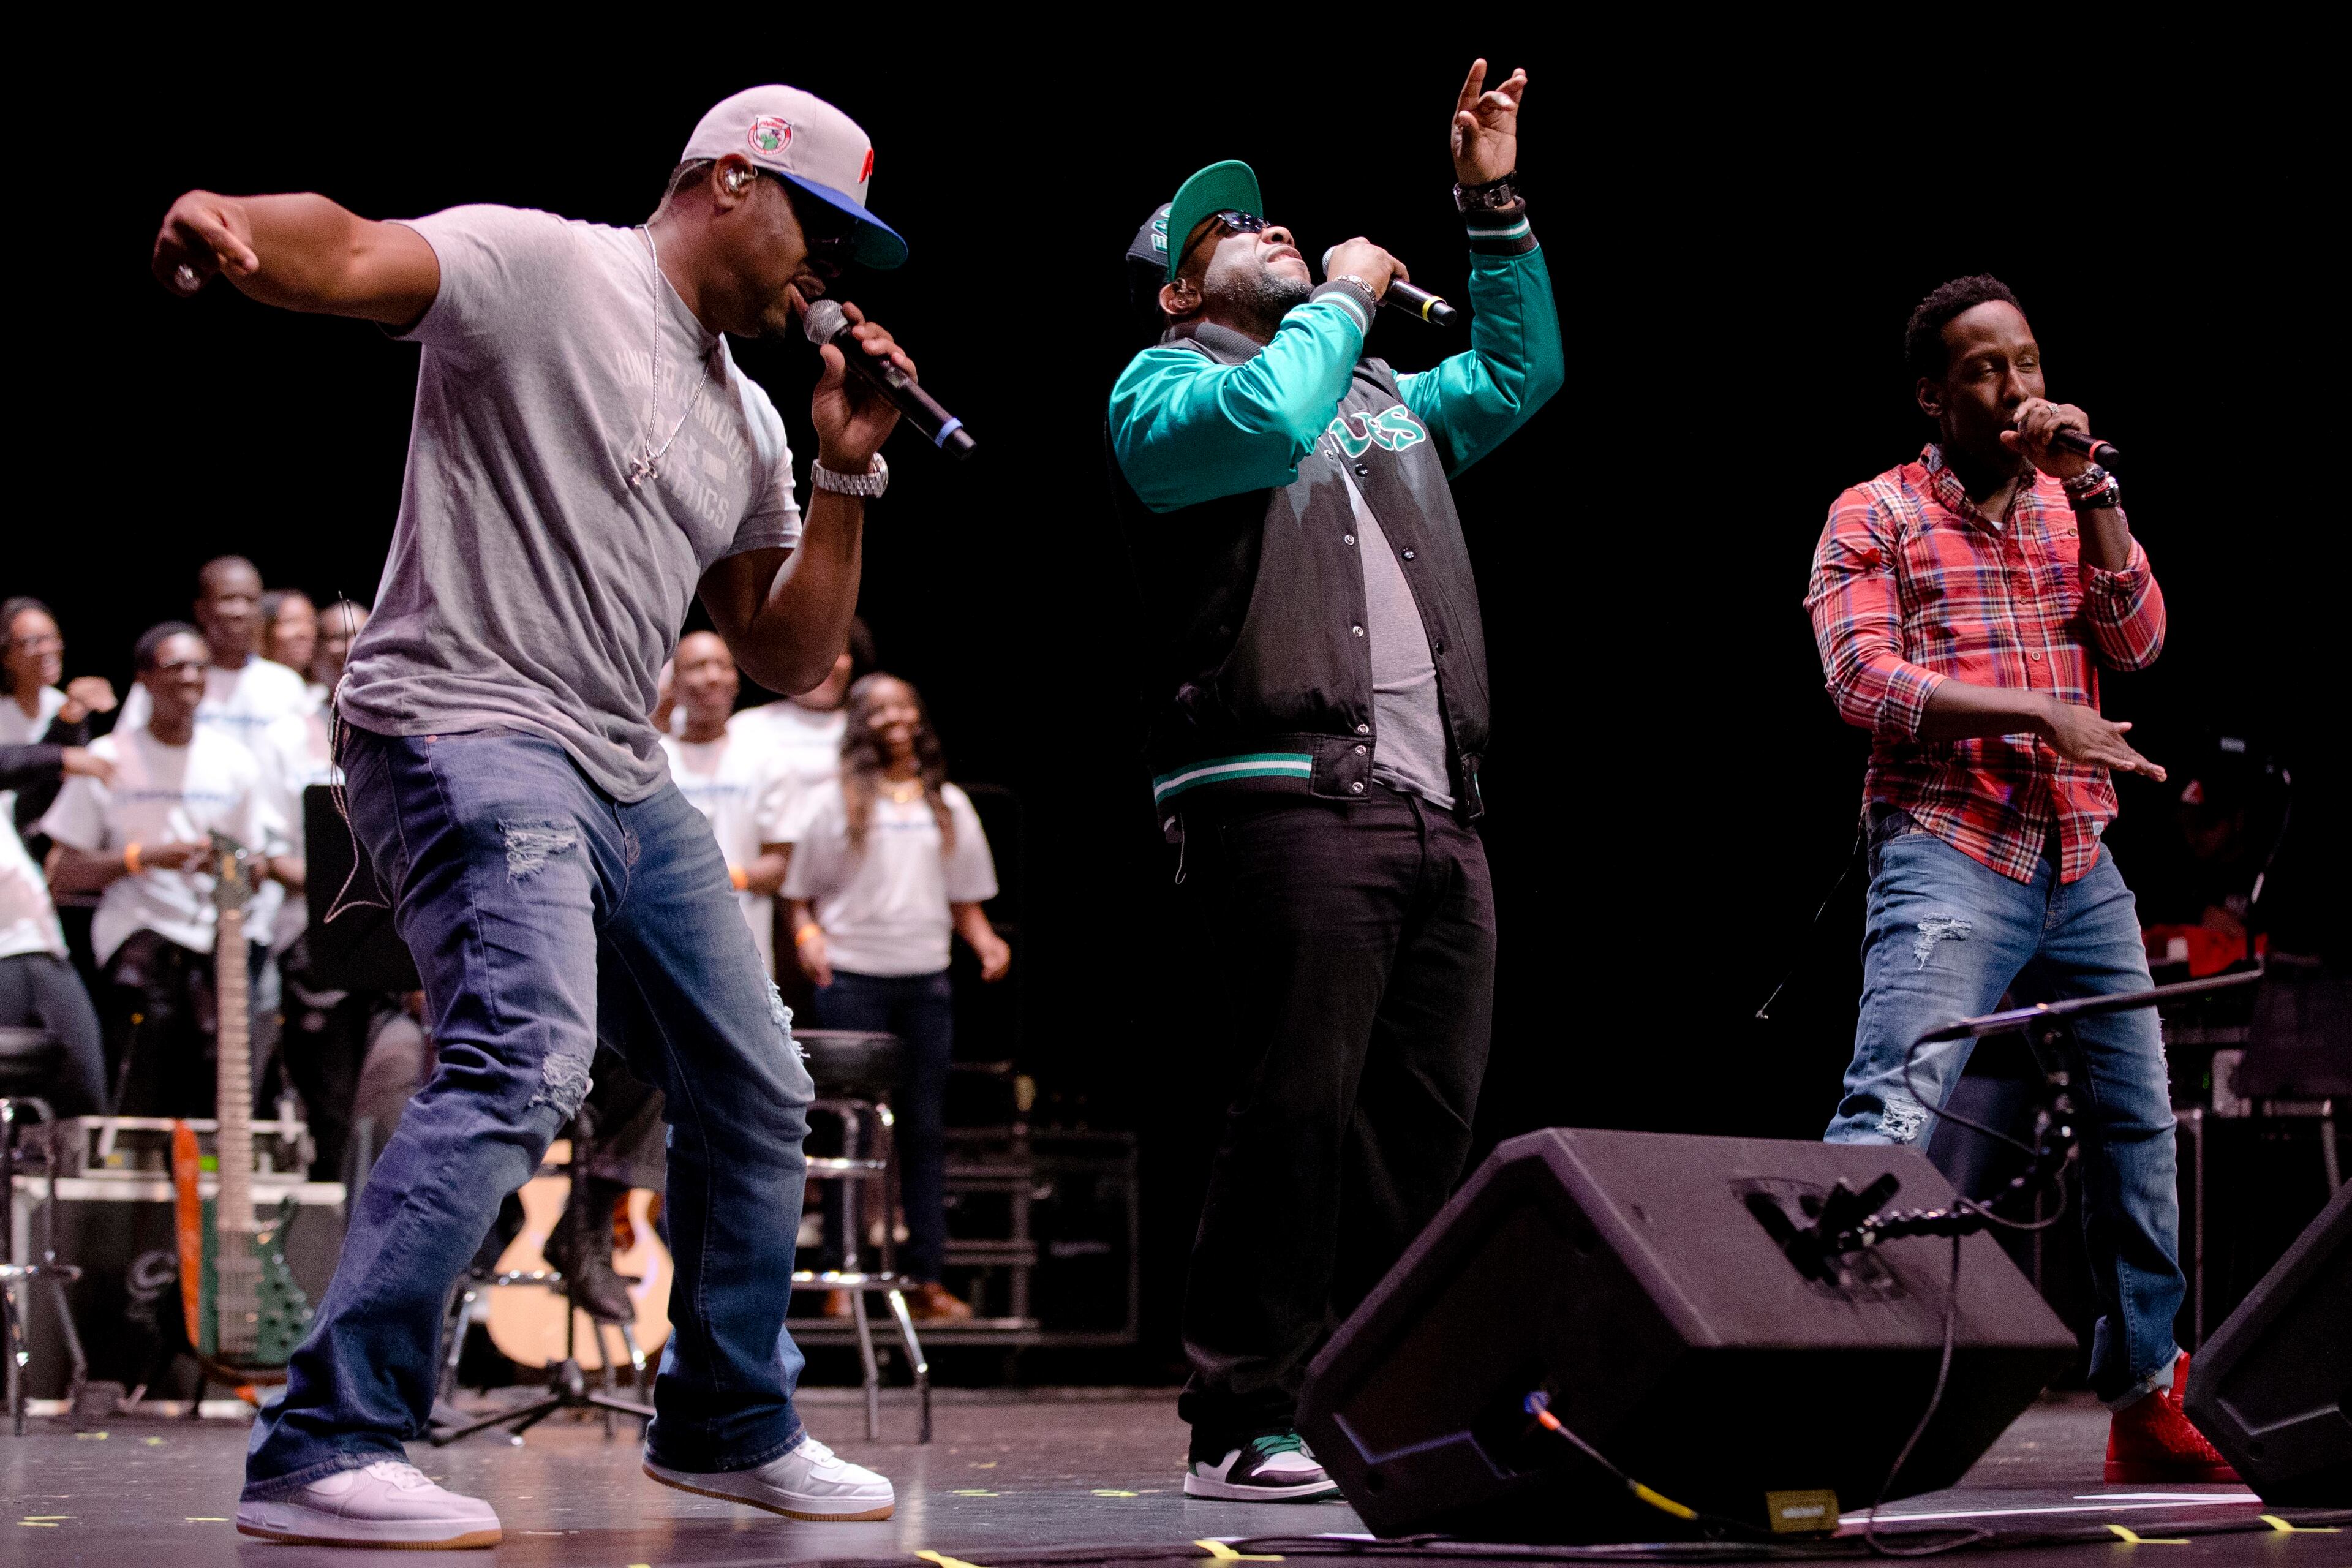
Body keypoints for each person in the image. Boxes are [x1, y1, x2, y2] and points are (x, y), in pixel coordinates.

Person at [154, 81, 918, 1545]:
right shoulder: (553, 266)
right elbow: (360, 248)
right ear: (732, 180)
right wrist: (244, 230)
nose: (824, 275)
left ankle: (726, 1420)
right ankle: (322, 1440)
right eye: (818, 234)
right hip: (458, 717)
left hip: (614, 763)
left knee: (756, 1079)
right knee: (527, 1054)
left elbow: (786, 651)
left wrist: (844, 467)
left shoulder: (752, 417)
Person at [1104, 61, 1560, 1501]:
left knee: (1421, 1122)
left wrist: (1488, 202)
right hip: (1285, 793)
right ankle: (1244, 1408)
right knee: (1294, 1101)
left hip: (1441, 810)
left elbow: (1518, 373)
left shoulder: (1375, 393)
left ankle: (1392, 1387)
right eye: (1230, 235)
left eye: (1277, 224)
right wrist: (1343, 298)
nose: (1275, 230)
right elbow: (1255, 431)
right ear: (1180, 291)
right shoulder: (1167, 384)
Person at [1804, 274, 2236, 1484]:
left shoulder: (2066, 498)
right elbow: (1863, 682)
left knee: (2138, 1131)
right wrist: (2040, 713)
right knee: (1894, 1109)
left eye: (2028, 362)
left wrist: (2097, 488)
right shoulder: (1875, 512)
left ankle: (2147, 1393)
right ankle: (1821, 1386)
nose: (2017, 389)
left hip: (2080, 856)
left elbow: (2141, 640)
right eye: (1986, 369)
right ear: (1934, 394)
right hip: (1951, 844)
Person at [783, 673, 1009, 1322]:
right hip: (852, 978)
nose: (890, 717)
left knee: (924, 1129)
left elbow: (965, 898)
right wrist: (807, 934)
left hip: (925, 980)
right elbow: (800, 896)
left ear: (917, 718)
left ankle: (926, 1278)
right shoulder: (837, 804)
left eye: (900, 706)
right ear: (861, 724)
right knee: (846, 1125)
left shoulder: (949, 805)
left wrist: (985, 940)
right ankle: (839, 1274)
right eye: (875, 709)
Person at [39, 624, 298, 1117]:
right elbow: (63, 871)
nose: (190, 678)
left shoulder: (234, 762)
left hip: (215, 944)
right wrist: (149, 857)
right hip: (139, 939)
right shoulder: (109, 758)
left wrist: (232, 865)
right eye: (175, 667)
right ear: (145, 679)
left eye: (199, 667)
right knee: (143, 1070)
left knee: (216, 1087)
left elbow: (258, 863)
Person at [660, 631, 797, 976]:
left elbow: (779, 865)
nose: (712, 677)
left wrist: (723, 878)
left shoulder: (765, 758)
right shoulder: (654, 759)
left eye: (723, 666)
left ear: (737, 681)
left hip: (745, 946)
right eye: (697, 667)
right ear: (673, 685)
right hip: (666, 940)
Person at [1, 739, 110, 1114]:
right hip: (3, 951)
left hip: (40, 942)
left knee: (85, 1083)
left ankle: (72, 1168)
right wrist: (62, 756)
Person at [2, 597, 119, 859]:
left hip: (42, 842)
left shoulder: (60, 704)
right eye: (32, 642)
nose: (46, 650)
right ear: (6, 655)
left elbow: (60, 789)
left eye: (51, 638)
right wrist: (63, 755)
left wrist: (71, 716)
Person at [262, 589, 320, 690]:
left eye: (311, 622)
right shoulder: (251, 684)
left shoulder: (323, 693)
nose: (305, 632)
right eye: (291, 621)